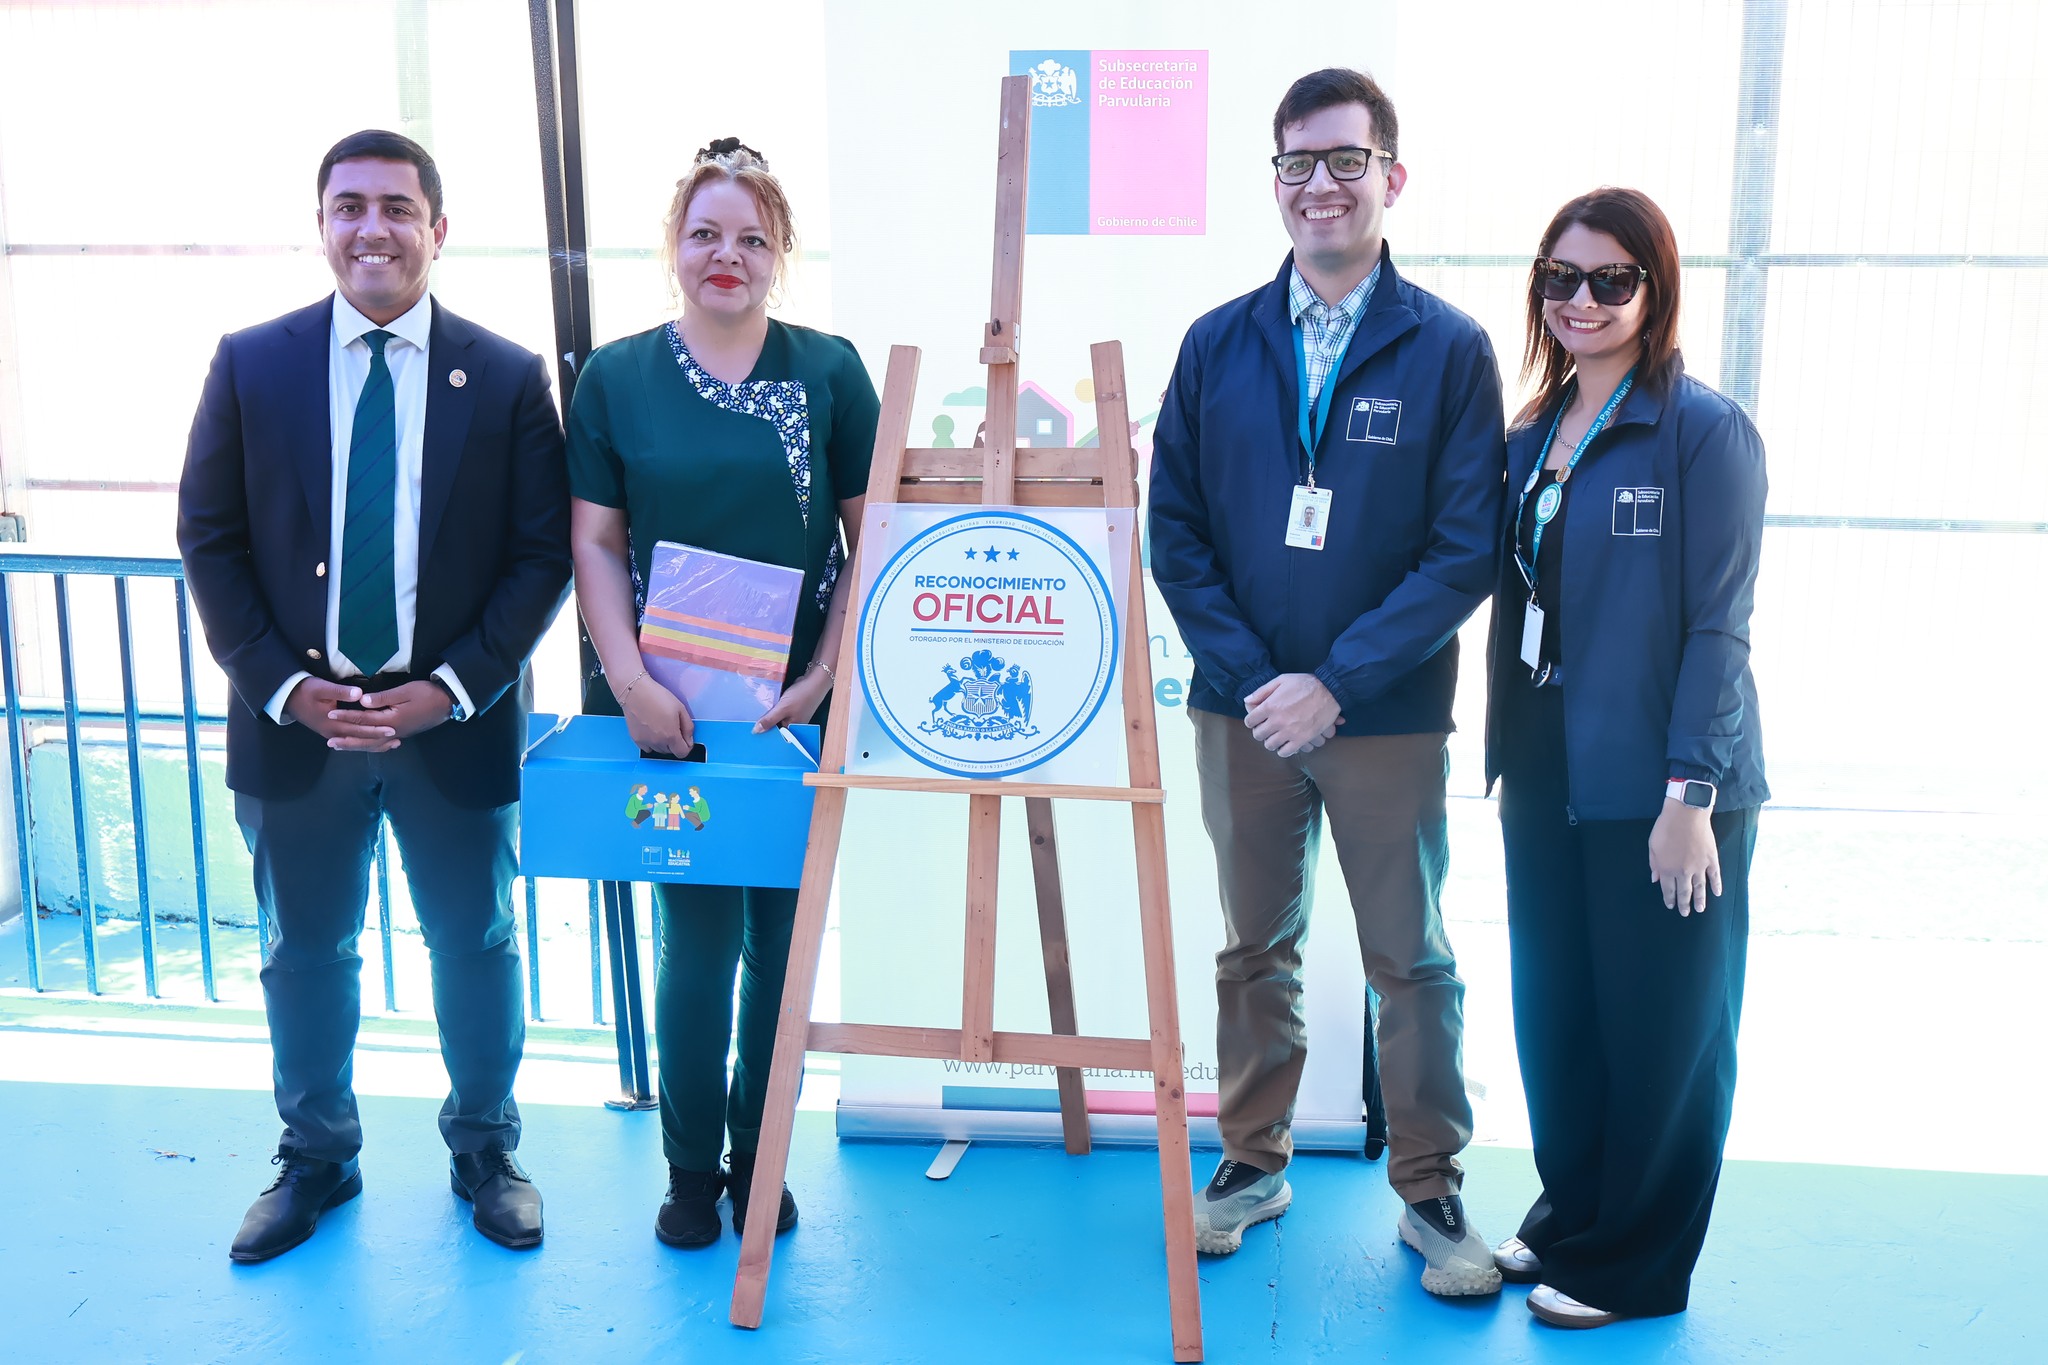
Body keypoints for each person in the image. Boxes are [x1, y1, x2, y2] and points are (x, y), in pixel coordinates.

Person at [177, 129, 571, 1261]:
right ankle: (316, 1161)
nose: (373, 229)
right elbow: (208, 537)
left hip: (448, 725)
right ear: (322, 226)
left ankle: (485, 1151)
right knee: (304, 952)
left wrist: (450, 688)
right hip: (297, 725)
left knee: (477, 942)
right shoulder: (251, 364)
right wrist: (281, 686)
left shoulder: (503, 377)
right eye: (349, 207)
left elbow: (540, 553)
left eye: (398, 208)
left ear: (437, 232)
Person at [1147, 68, 1508, 1296]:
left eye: (1344, 161)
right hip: (1241, 710)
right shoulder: (1216, 343)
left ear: (1389, 178)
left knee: (1409, 957)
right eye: (1296, 163)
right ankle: (1251, 1161)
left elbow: (1465, 550)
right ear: (1275, 182)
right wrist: (1261, 682)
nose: (1319, 186)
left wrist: (1335, 683)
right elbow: (1175, 534)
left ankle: (1429, 1186)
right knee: (1255, 944)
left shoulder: (1449, 351)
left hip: (1385, 712)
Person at [565, 137, 879, 1249]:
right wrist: (631, 683)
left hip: (789, 723)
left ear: (780, 253)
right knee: (691, 940)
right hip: (666, 724)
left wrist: (826, 672)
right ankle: (691, 1170)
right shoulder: (615, 377)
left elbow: (867, 539)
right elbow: (596, 544)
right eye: (705, 233)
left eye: (751, 237)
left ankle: (762, 1161)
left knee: (780, 946)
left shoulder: (829, 371)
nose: (726, 255)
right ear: (673, 249)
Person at [1483, 187, 1768, 1328]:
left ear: (1654, 290)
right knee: (1559, 1009)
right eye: (1560, 278)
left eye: (1609, 279)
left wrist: (1687, 792)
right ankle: (1574, 1211)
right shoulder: (1524, 435)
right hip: (1545, 758)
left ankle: (1635, 1264)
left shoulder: (1702, 431)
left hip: (1660, 775)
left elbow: (1718, 624)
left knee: (1660, 1021)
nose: (1581, 300)